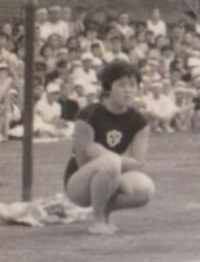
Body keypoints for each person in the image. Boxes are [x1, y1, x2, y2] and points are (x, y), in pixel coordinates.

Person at [63, 60, 155, 235]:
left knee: (145, 188)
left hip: (112, 173)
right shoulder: (88, 115)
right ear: (107, 88)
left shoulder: (139, 121)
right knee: (110, 162)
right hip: (79, 182)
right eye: (121, 84)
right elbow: (83, 162)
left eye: (132, 84)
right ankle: (97, 220)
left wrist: (105, 153)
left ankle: (105, 212)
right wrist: (110, 160)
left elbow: (137, 163)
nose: (128, 89)